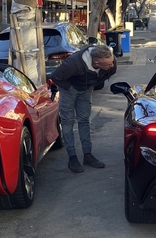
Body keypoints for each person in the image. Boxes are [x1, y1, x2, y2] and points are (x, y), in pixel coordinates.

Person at [49, 44, 117, 173]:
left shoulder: (111, 61)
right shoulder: (74, 63)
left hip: (86, 88)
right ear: (96, 62)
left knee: (84, 120)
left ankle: (88, 155)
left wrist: (91, 85)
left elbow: (106, 74)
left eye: (111, 62)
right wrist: (69, 89)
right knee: (68, 122)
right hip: (69, 89)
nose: (112, 66)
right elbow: (55, 77)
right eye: (108, 64)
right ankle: (72, 157)